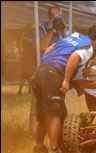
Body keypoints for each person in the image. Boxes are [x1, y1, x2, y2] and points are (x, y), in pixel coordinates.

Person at [32, 25, 96, 153]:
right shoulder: (88, 47)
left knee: (48, 113)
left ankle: (39, 146)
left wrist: (45, 68)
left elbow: (49, 49)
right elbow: (74, 57)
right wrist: (66, 80)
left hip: (41, 71)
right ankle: (54, 150)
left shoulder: (74, 37)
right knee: (54, 113)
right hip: (53, 73)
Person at [29, 5, 70, 134]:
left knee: (56, 102)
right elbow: (40, 46)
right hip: (42, 68)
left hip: (57, 71)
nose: (57, 20)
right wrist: (52, 30)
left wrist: (62, 31)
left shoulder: (64, 30)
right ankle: (33, 133)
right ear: (48, 17)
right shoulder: (41, 28)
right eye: (54, 17)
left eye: (59, 17)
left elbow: (69, 44)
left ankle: (57, 131)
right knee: (37, 103)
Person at [18, 24, 37, 95]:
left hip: (28, 59)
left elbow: (19, 48)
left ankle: (27, 90)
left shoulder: (27, 37)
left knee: (27, 76)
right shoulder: (29, 38)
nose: (32, 31)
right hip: (29, 60)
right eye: (32, 29)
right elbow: (20, 48)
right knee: (26, 76)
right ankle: (23, 91)